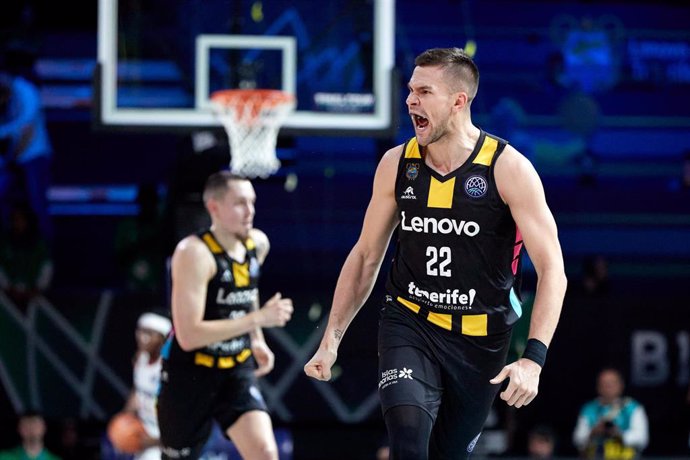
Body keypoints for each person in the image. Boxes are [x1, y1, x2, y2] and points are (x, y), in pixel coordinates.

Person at [304, 47, 567, 459]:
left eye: (424, 91)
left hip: (480, 339)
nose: (410, 100)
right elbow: (365, 256)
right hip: (409, 321)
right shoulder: (397, 163)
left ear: (458, 101)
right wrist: (331, 338)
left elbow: (553, 270)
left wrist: (533, 358)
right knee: (408, 441)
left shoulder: (508, 168)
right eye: (410, 90)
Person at [157, 171, 294, 460]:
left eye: (252, 202)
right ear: (214, 208)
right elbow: (189, 335)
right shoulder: (194, 253)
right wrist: (258, 320)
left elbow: (247, 288)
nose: (250, 211)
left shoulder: (257, 243)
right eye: (240, 203)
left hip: (235, 369)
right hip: (190, 373)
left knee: (265, 453)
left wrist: (256, 339)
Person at [0, 71, 53, 241]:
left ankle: (44, 253)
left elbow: (27, 132)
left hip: (33, 154)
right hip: (8, 156)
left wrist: (12, 158)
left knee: (37, 202)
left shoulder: (26, 92)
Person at [120, 312, 172, 460]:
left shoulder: (168, 369)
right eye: (140, 331)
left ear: (162, 338)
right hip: (144, 435)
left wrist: (155, 441)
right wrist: (125, 417)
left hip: (165, 441)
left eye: (149, 333)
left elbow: (183, 418)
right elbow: (138, 391)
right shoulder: (140, 359)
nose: (142, 337)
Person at [572, 367, 649, 459]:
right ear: (598, 387)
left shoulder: (632, 408)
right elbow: (577, 439)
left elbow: (642, 438)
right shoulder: (589, 409)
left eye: (612, 383)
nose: (608, 387)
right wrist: (593, 433)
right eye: (604, 384)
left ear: (621, 385)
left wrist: (619, 435)